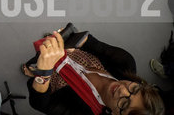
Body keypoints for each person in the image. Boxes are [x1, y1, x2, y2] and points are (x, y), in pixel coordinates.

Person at [23, 30, 165, 115]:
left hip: (47, 78)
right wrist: (67, 40)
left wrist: (44, 73)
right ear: (139, 83)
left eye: (124, 104)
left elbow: (41, 104)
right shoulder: (126, 62)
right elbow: (90, 42)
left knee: (35, 69)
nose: (122, 91)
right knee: (39, 57)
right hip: (67, 50)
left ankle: (34, 72)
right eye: (134, 89)